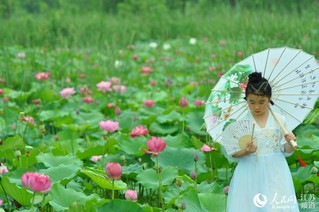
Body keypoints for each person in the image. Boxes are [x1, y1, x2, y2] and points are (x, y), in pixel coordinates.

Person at [223, 72, 300, 211]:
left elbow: (286, 151)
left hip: (276, 170)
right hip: (250, 171)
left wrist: (290, 143)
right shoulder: (242, 123)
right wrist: (246, 151)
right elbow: (232, 153)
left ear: (269, 98)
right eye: (251, 102)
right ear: (246, 100)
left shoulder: (280, 120)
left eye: (261, 102)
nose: (256, 107)